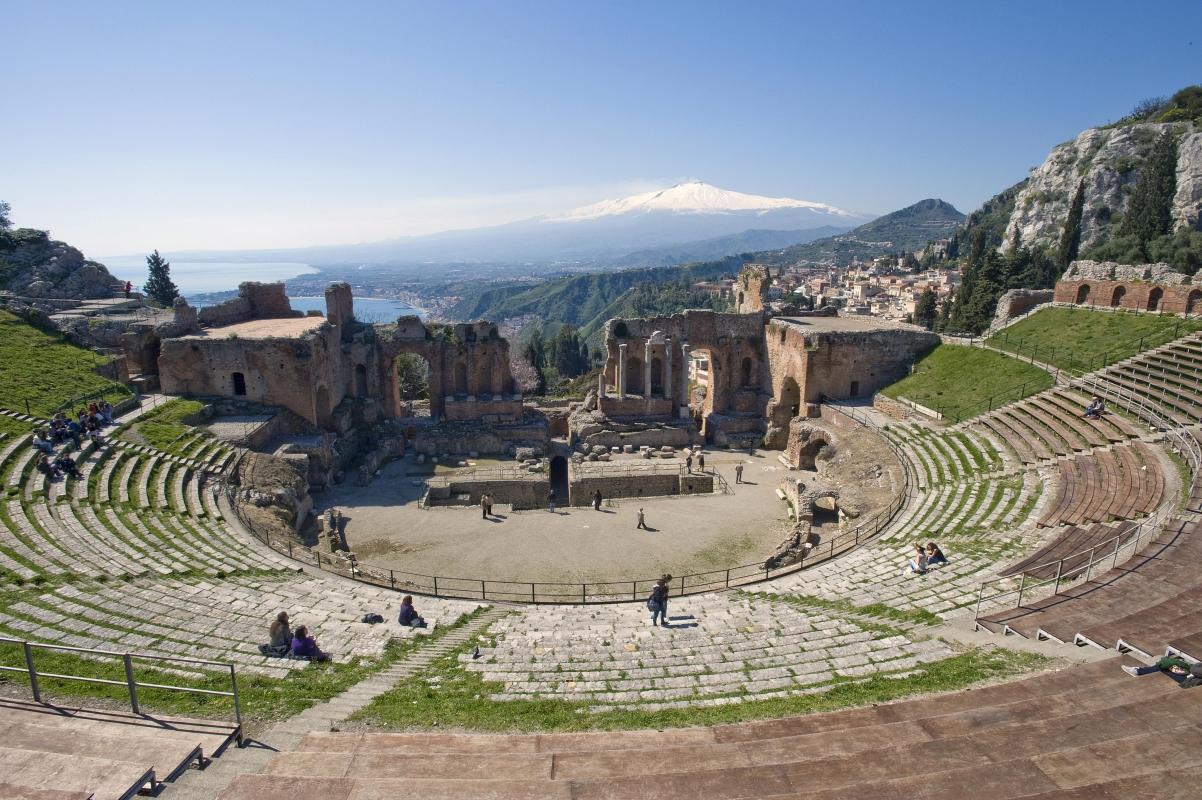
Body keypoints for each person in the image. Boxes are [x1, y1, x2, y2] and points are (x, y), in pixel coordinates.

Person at [1122, 656, 1202, 687]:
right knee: (1169, 664)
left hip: (1190, 680)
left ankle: (1139, 671)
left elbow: (1194, 670)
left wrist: (1189, 669)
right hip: (1192, 675)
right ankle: (1139, 671)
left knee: (1163, 668)